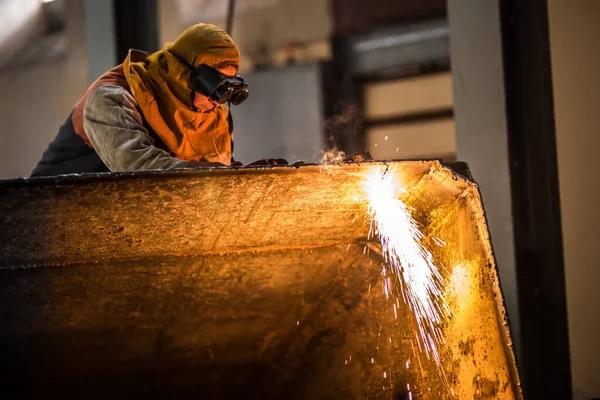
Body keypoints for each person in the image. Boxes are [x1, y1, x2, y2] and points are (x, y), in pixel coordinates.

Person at [31, 23, 247, 177]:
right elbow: (139, 171)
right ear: (181, 74)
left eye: (226, 88)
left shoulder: (213, 116)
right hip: (53, 214)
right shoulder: (112, 98)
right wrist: (217, 175)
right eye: (213, 85)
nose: (217, 100)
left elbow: (215, 184)